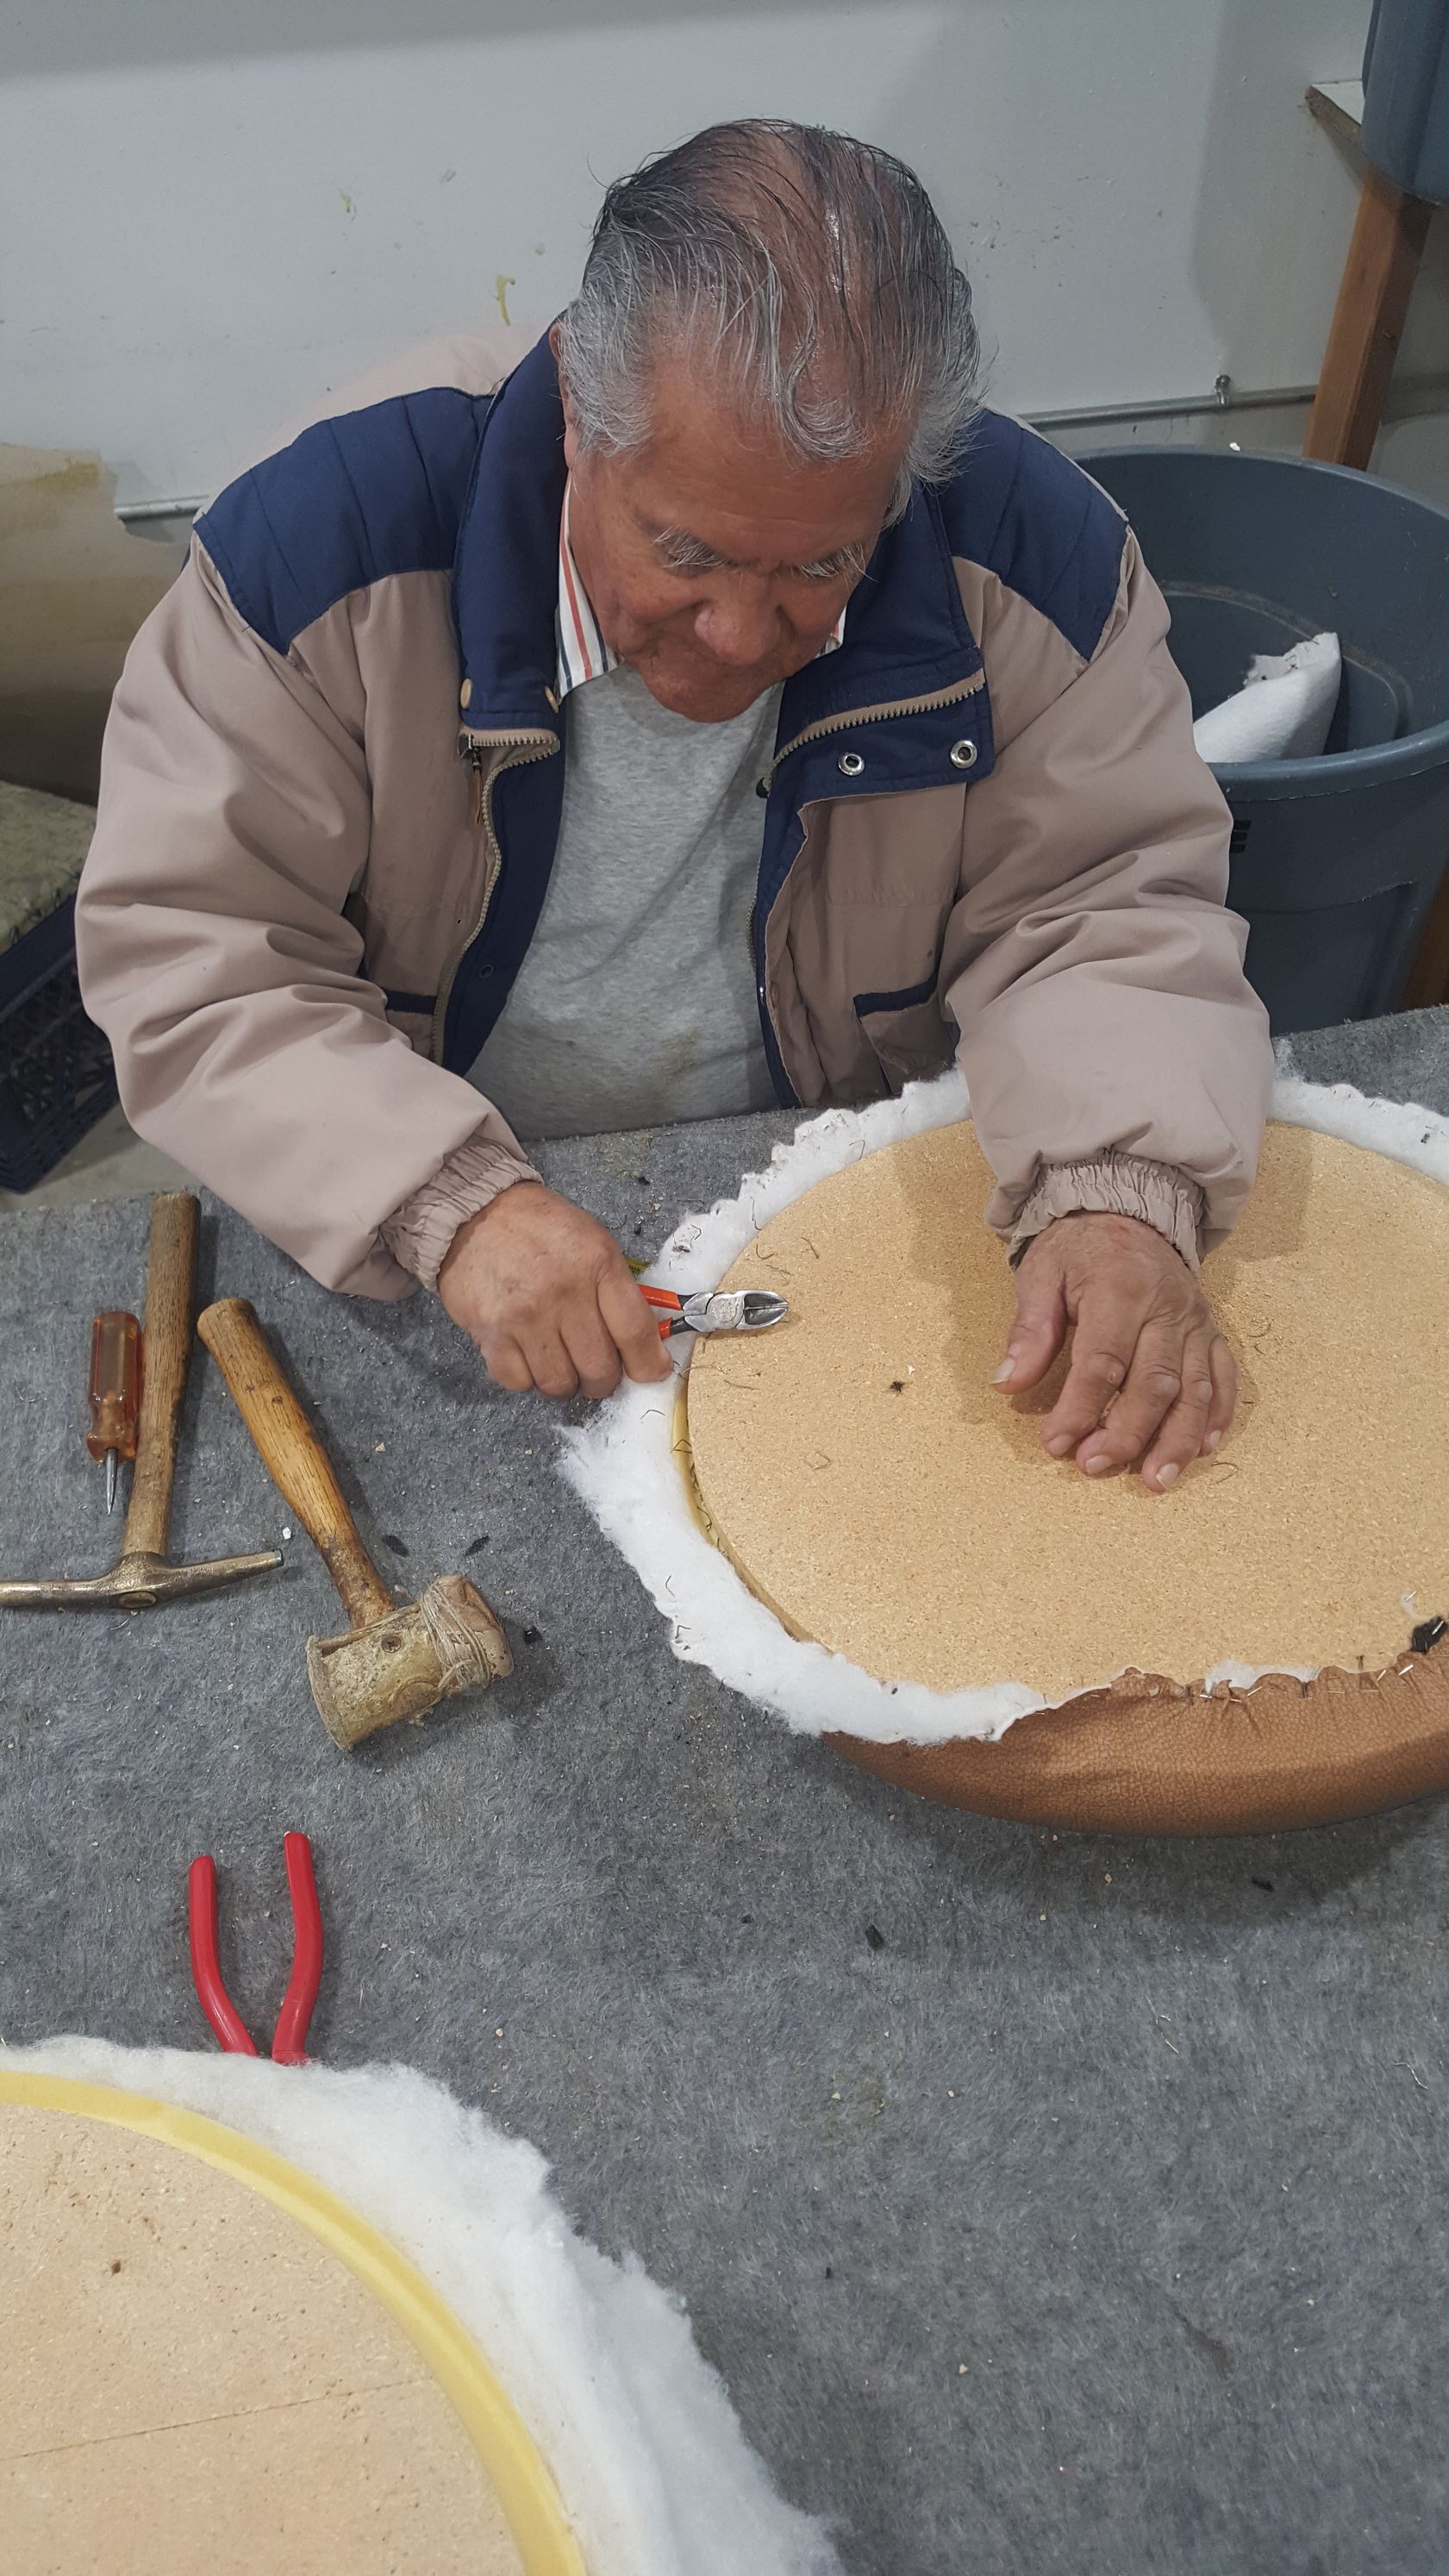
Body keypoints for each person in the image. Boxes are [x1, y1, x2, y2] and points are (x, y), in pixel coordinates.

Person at [77, 119, 1271, 1492]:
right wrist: (444, 1201)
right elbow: (197, 956)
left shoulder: (1029, 559)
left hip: (840, 1158)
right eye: (684, 551)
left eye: (820, 563)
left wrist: (1114, 1185)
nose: (734, 634)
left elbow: (1101, 901)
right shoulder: (320, 552)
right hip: (434, 1164)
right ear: (579, 415)